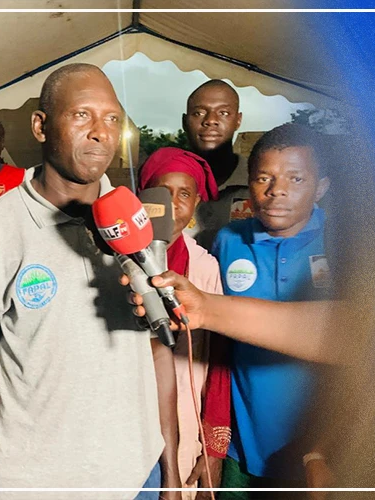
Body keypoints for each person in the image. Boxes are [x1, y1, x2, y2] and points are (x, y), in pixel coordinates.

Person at [0, 63, 180, 500]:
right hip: (32, 484)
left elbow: (158, 350)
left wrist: (170, 474)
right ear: (40, 125)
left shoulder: (136, 220)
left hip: (135, 477)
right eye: (81, 115)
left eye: (112, 118)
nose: (100, 132)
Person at [129, 124, 336, 499]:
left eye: (296, 177)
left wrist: (322, 449)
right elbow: (219, 347)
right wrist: (218, 445)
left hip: (314, 451)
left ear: (321, 186)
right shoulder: (228, 241)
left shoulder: (343, 244)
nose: (278, 190)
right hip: (242, 450)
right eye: (263, 178)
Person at [137, 147, 225, 498]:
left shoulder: (205, 268)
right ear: (142, 197)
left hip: (185, 426)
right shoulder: (116, 259)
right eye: (162, 193)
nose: (172, 205)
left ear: (196, 204)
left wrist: (214, 446)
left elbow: (219, 359)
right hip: (122, 434)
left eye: (184, 194)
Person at [181, 80, 249, 248]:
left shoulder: (260, 184)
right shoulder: (162, 184)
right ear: (184, 121)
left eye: (224, 113)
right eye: (198, 113)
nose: (211, 120)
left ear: (238, 120)